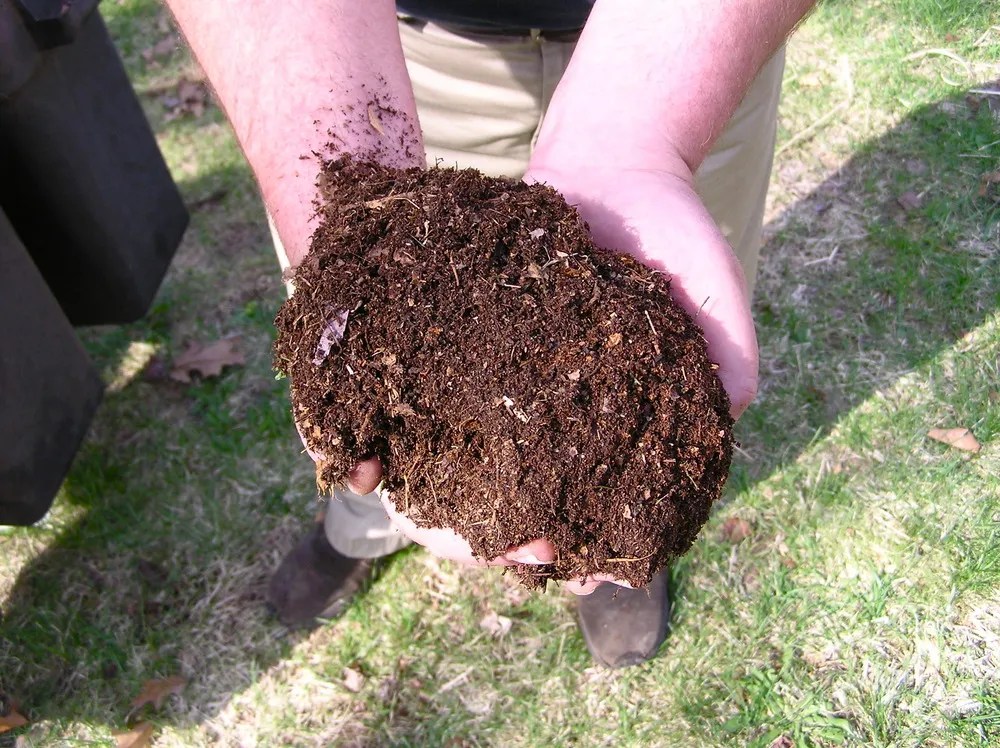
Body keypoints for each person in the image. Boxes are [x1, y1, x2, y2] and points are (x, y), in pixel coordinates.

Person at [165, 0, 816, 669]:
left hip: (691, 45)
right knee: (356, 362)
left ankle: (617, 551)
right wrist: (357, 219)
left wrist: (642, 143)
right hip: (377, 55)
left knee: (673, 321)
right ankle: (361, 527)